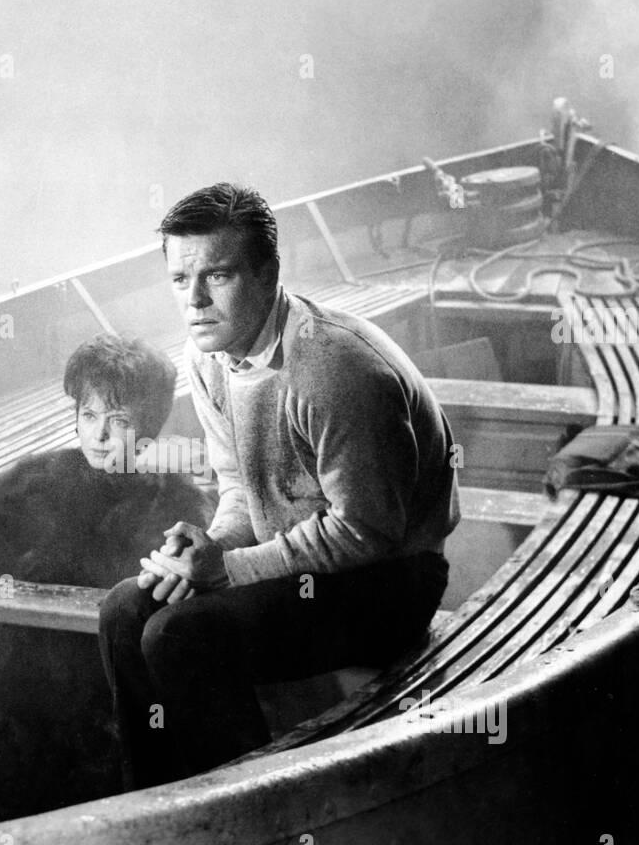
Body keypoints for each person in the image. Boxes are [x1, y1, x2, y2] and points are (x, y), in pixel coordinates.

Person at [99, 182, 461, 789]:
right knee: (125, 610)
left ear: (268, 272)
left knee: (181, 636)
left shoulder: (334, 370)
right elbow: (239, 484)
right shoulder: (207, 355)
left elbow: (368, 530)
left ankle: (254, 805)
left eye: (217, 276)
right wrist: (203, 553)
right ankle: (154, 800)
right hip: (304, 566)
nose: (194, 300)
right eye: (179, 279)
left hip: (392, 579)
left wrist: (229, 570)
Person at [0, 333, 214, 820]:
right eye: (88, 416)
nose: (100, 436)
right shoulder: (22, 487)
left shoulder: (179, 509)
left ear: (149, 430)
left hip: (109, 687)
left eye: (118, 421)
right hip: (17, 680)